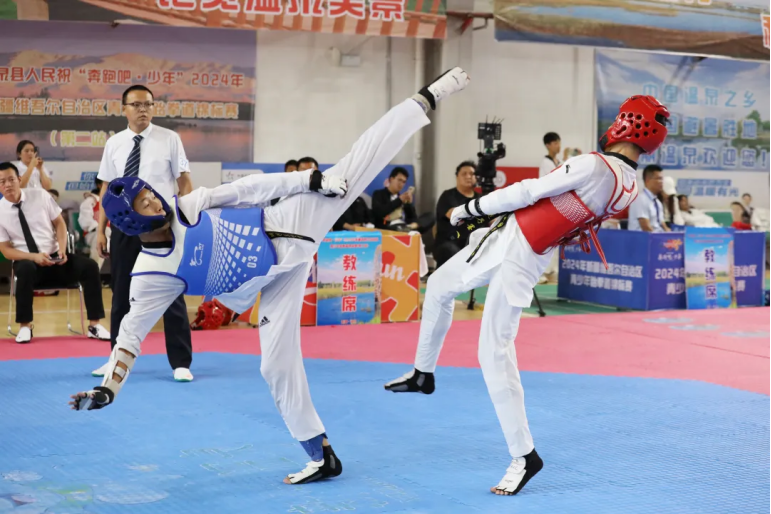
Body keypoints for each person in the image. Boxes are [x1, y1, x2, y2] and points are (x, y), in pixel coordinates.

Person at [69, 67, 470, 486]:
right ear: (131, 221)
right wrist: (108, 390)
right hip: (273, 282)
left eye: (150, 193)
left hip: (290, 221)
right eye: (146, 202)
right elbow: (130, 336)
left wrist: (311, 179)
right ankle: (321, 454)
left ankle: (428, 95)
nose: (155, 200)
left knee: (355, 165)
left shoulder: (188, 205)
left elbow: (250, 189)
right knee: (275, 366)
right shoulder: (151, 275)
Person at [385, 95, 670, 496]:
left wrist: (469, 208)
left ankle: (524, 456)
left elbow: (528, 191)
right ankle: (422, 373)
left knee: (494, 352)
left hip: (521, 253)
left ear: (627, 123)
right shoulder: (629, 186)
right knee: (440, 286)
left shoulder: (595, 165)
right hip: (515, 242)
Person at [92, 84, 195, 383]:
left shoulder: (169, 139)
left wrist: (186, 219)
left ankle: (180, 362)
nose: (143, 110)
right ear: (123, 108)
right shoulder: (114, 143)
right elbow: (106, 189)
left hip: (161, 227)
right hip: (123, 227)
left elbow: (184, 181)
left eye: (148, 104)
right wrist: (101, 230)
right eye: (136, 105)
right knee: (121, 293)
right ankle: (116, 358)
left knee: (170, 291)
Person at [0, 162, 111, 344]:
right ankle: (25, 326)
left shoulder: (40, 196)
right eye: (2, 181)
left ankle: (94, 325)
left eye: (11, 179)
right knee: (25, 269)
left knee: (90, 266)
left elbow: (59, 223)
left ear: (19, 179)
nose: (7, 184)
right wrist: (33, 257)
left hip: (55, 258)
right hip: (28, 263)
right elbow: (5, 250)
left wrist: (61, 248)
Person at [433, 161, 481, 268]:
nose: (468, 176)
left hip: (474, 244)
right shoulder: (448, 196)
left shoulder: (480, 198)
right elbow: (453, 214)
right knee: (450, 251)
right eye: (464, 174)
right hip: (450, 243)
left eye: (472, 174)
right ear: (457, 177)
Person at [628, 165, 670, 232]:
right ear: (648, 180)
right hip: (643, 237)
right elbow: (646, 228)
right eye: (659, 178)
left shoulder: (657, 202)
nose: (662, 182)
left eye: (662, 179)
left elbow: (663, 225)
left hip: (657, 236)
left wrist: (670, 234)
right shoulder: (640, 200)